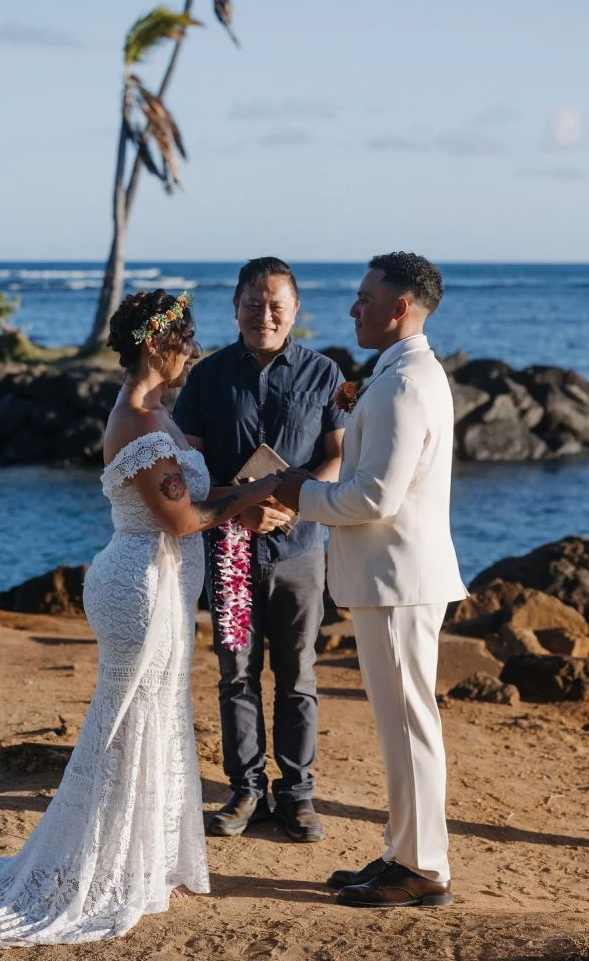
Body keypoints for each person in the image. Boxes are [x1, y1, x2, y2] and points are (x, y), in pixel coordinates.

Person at [0, 289, 279, 946]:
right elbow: (181, 518)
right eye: (186, 338)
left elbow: (197, 498)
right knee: (128, 725)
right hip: (140, 587)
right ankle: (105, 873)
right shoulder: (140, 421)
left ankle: (144, 865)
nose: (195, 350)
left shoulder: (159, 415)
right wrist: (255, 494)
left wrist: (248, 493)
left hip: (163, 585)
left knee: (158, 719)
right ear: (155, 343)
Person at [274, 252, 467, 907]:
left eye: (363, 297)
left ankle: (423, 867)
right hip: (392, 578)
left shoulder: (404, 383)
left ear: (399, 308)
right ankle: (402, 853)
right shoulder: (398, 374)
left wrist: (295, 490)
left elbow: (373, 499)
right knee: (398, 724)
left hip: (398, 580)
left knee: (409, 724)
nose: (353, 308)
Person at [174, 257, 345, 843]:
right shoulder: (207, 377)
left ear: (295, 310)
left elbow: (337, 456)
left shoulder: (326, 374)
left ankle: (297, 795)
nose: (264, 314)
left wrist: (293, 503)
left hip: (301, 550)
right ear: (236, 307)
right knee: (237, 674)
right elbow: (190, 472)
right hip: (231, 553)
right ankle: (246, 788)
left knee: (298, 676)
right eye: (253, 303)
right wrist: (238, 507)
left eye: (276, 304)